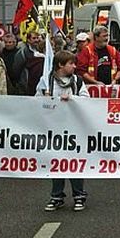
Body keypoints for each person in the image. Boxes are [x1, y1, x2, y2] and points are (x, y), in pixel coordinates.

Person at [37, 50, 89, 211]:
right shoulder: (46, 81)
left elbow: (86, 99)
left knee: (74, 162)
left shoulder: (77, 81)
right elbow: (35, 101)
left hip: (73, 129)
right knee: (56, 162)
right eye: (71, 63)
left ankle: (79, 195)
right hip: (54, 129)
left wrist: (73, 99)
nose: (74, 66)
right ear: (60, 65)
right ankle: (56, 196)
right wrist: (45, 99)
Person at [11, 30, 45, 95]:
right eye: (34, 38)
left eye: (37, 38)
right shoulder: (22, 53)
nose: (36, 40)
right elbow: (16, 70)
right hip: (26, 86)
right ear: (28, 40)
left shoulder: (41, 51)